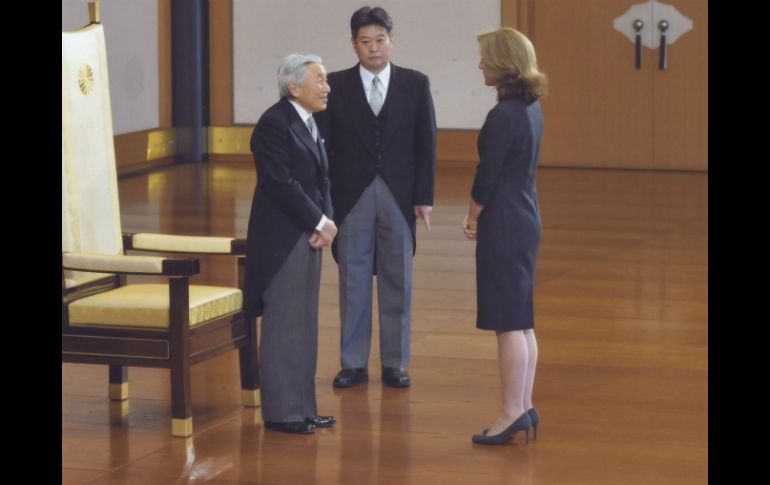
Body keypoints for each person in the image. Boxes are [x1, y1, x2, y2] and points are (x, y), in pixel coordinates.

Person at [316, 6, 437, 389]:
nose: (374, 48)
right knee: (352, 279)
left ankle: (395, 363)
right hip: (351, 195)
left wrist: (424, 197)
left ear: (392, 40)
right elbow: (322, 148)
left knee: (397, 278)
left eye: (380, 40)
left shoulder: (415, 83)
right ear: (353, 44)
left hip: (399, 195)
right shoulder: (335, 85)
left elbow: (426, 143)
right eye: (365, 41)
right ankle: (352, 363)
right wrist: (324, 202)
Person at [243, 53, 338, 434]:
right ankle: (282, 412)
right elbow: (280, 183)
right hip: (282, 238)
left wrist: (325, 220)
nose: (327, 87)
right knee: (284, 324)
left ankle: (303, 407)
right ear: (295, 87)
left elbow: (322, 179)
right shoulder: (273, 124)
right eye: (320, 80)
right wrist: (318, 220)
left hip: (307, 232)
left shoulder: (310, 121)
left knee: (303, 323)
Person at [462, 27, 547, 445]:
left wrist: (472, 216)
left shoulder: (503, 115)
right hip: (526, 216)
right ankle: (524, 406)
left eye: (486, 58)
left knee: (508, 322)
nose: (481, 65)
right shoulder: (530, 107)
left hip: (504, 221)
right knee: (521, 319)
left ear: (503, 63)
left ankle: (512, 411)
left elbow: (487, 177)